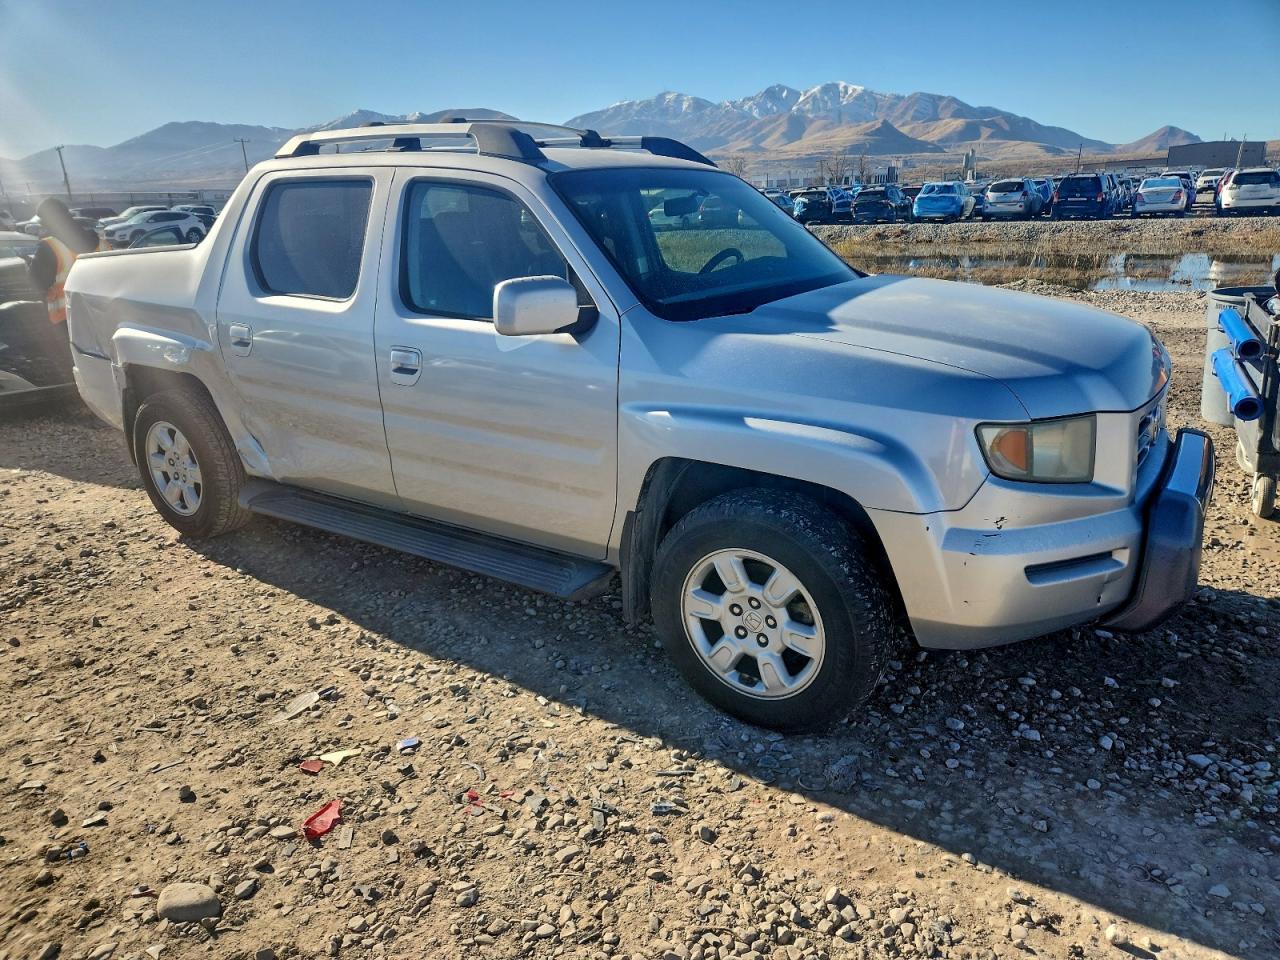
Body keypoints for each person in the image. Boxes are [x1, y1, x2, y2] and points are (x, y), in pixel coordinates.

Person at [27, 198, 104, 325]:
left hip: (67, 319)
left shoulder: (50, 247)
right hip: (102, 313)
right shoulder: (101, 242)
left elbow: (36, 283)